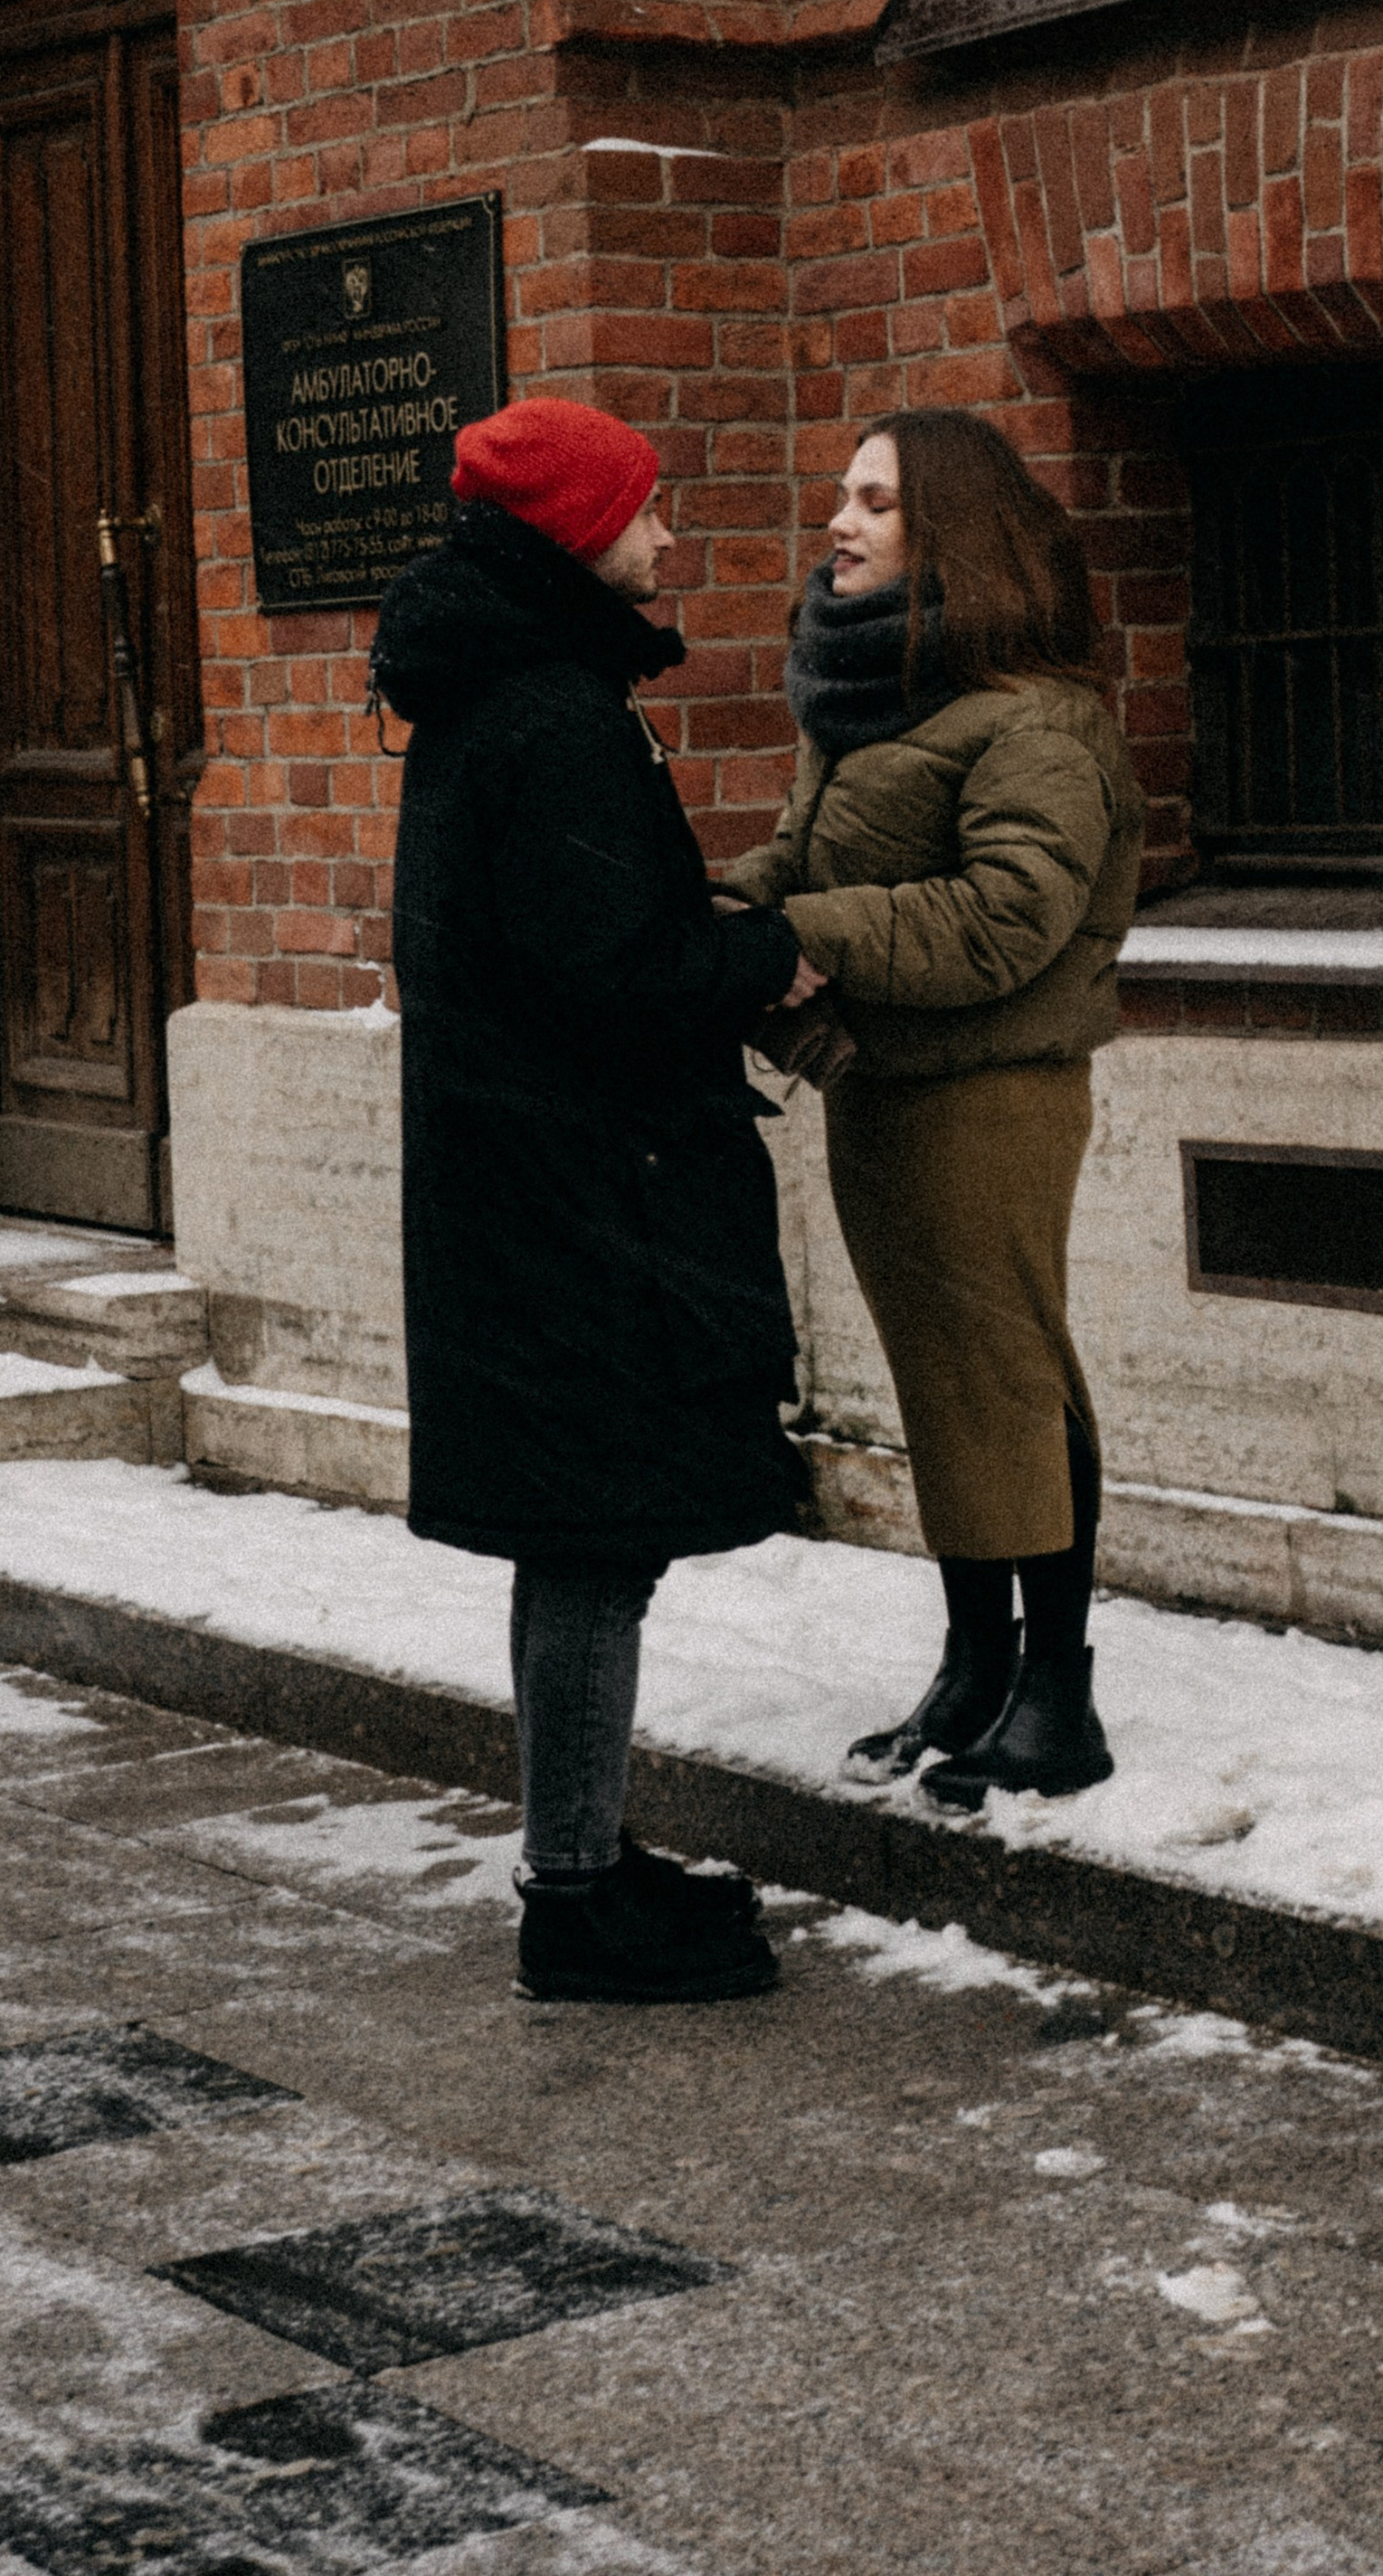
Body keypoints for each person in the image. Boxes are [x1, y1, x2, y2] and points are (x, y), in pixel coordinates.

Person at [370, 395, 826, 2005]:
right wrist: (771, 953)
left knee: (584, 1542)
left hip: (543, 1185)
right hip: (579, 1200)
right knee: (590, 1544)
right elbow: (614, 975)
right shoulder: (553, 708)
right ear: (576, 534)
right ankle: (573, 1896)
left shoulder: (502, 692)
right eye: (645, 511)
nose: (670, 536)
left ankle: (584, 1850)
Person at [721, 408, 1144, 1806]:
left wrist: (809, 937)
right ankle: (976, 1665)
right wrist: (701, 921)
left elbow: (1010, 914)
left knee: (1007, 1371)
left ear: (950, 530)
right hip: (885, 1090)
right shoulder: (872, 701)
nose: (838, 522)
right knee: (941, 1379)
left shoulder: (1039, 720)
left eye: (876, 500)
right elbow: (794, 861)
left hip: (993, 1092)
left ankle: (1060, 1693)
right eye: (843, 495)